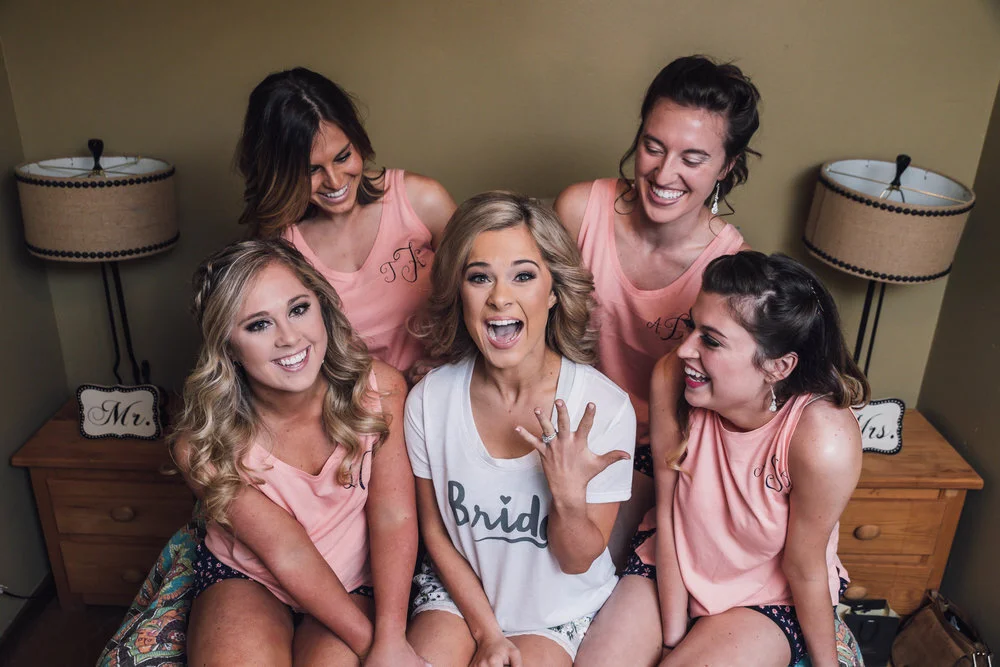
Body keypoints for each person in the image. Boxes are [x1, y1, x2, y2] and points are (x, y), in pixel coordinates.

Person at [577, 251, 868, 667]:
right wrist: (671, 637)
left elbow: (803, 567)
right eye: (691, 327)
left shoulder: (823, 437)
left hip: (766, 596)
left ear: (778, 366)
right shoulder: (670, 378)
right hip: (672, 561)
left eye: (711, 341)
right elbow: (669, 511)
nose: (684, 351)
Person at [403, 192, 637, 666]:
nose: (499, 297)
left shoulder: (604, 409)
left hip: (554, 610)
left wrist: (567, 494)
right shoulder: (429, 401)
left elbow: (575, 561)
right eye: (479, 277)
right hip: (458, 592)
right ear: (459, 291)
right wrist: (487, 633)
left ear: (553, 291)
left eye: (523, 276)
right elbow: (436, 535)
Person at [171, 239, 425, 666]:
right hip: (251, 576)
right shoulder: (202, 445)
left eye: (298, 309)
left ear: (321, 307)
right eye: (258, 325)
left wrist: (391, 640)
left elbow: (393, 515)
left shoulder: (382, 390)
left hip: (354, 578)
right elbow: (286, 552)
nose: (289, 338)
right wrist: (374, 648)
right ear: (228, 346)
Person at [554, 55, 761, 562]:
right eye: (653, 146)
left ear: (727, 167)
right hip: (555, 418)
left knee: (589, 565)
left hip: (649, 445)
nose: (664, 173)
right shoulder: (580, 210)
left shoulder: (728, 265)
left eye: (692, 158)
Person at [236, 67, 457, 374]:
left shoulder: (422, 200)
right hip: (357, 409)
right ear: (279, 174)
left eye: (343, 157)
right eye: (311, 170)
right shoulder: (279, 246)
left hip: (443, 386)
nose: (335, 180)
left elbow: (484, 291)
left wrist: (450, 364)